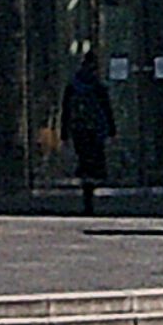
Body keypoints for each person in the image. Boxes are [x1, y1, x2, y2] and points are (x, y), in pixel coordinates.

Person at [59, 57, 117, 214]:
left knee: (84, 159)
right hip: (95, 130)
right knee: (95, 159)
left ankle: (87, 191)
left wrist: (64, 134)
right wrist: (112, 131)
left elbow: (66, 112)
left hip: (78, 129)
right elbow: (107, 110)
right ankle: (92, 190)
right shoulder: (98, 87)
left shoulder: (72, 87)